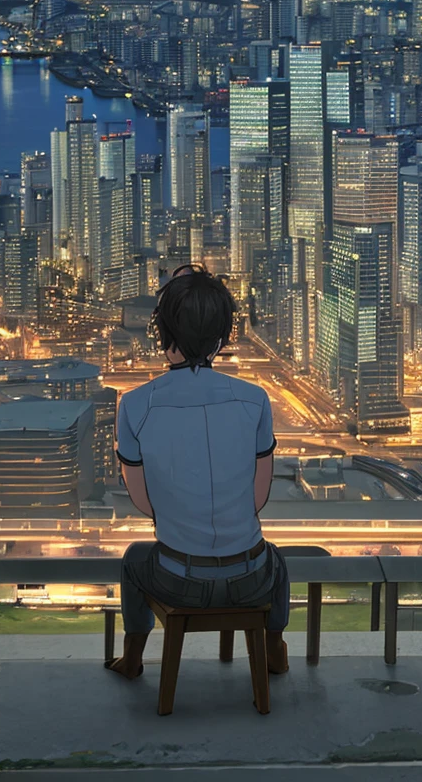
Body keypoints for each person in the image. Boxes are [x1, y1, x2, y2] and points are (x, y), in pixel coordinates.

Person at [104, 264, 289, 681]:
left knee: (134, 559)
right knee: (275, 560)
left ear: (164, 336)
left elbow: (140, 499)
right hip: (250, 579)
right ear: (222, 339)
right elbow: (258, 499)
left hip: (176, 580)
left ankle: (133, 657)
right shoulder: (255, 400)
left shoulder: (134, 405)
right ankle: (274, 647)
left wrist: (176, 516)